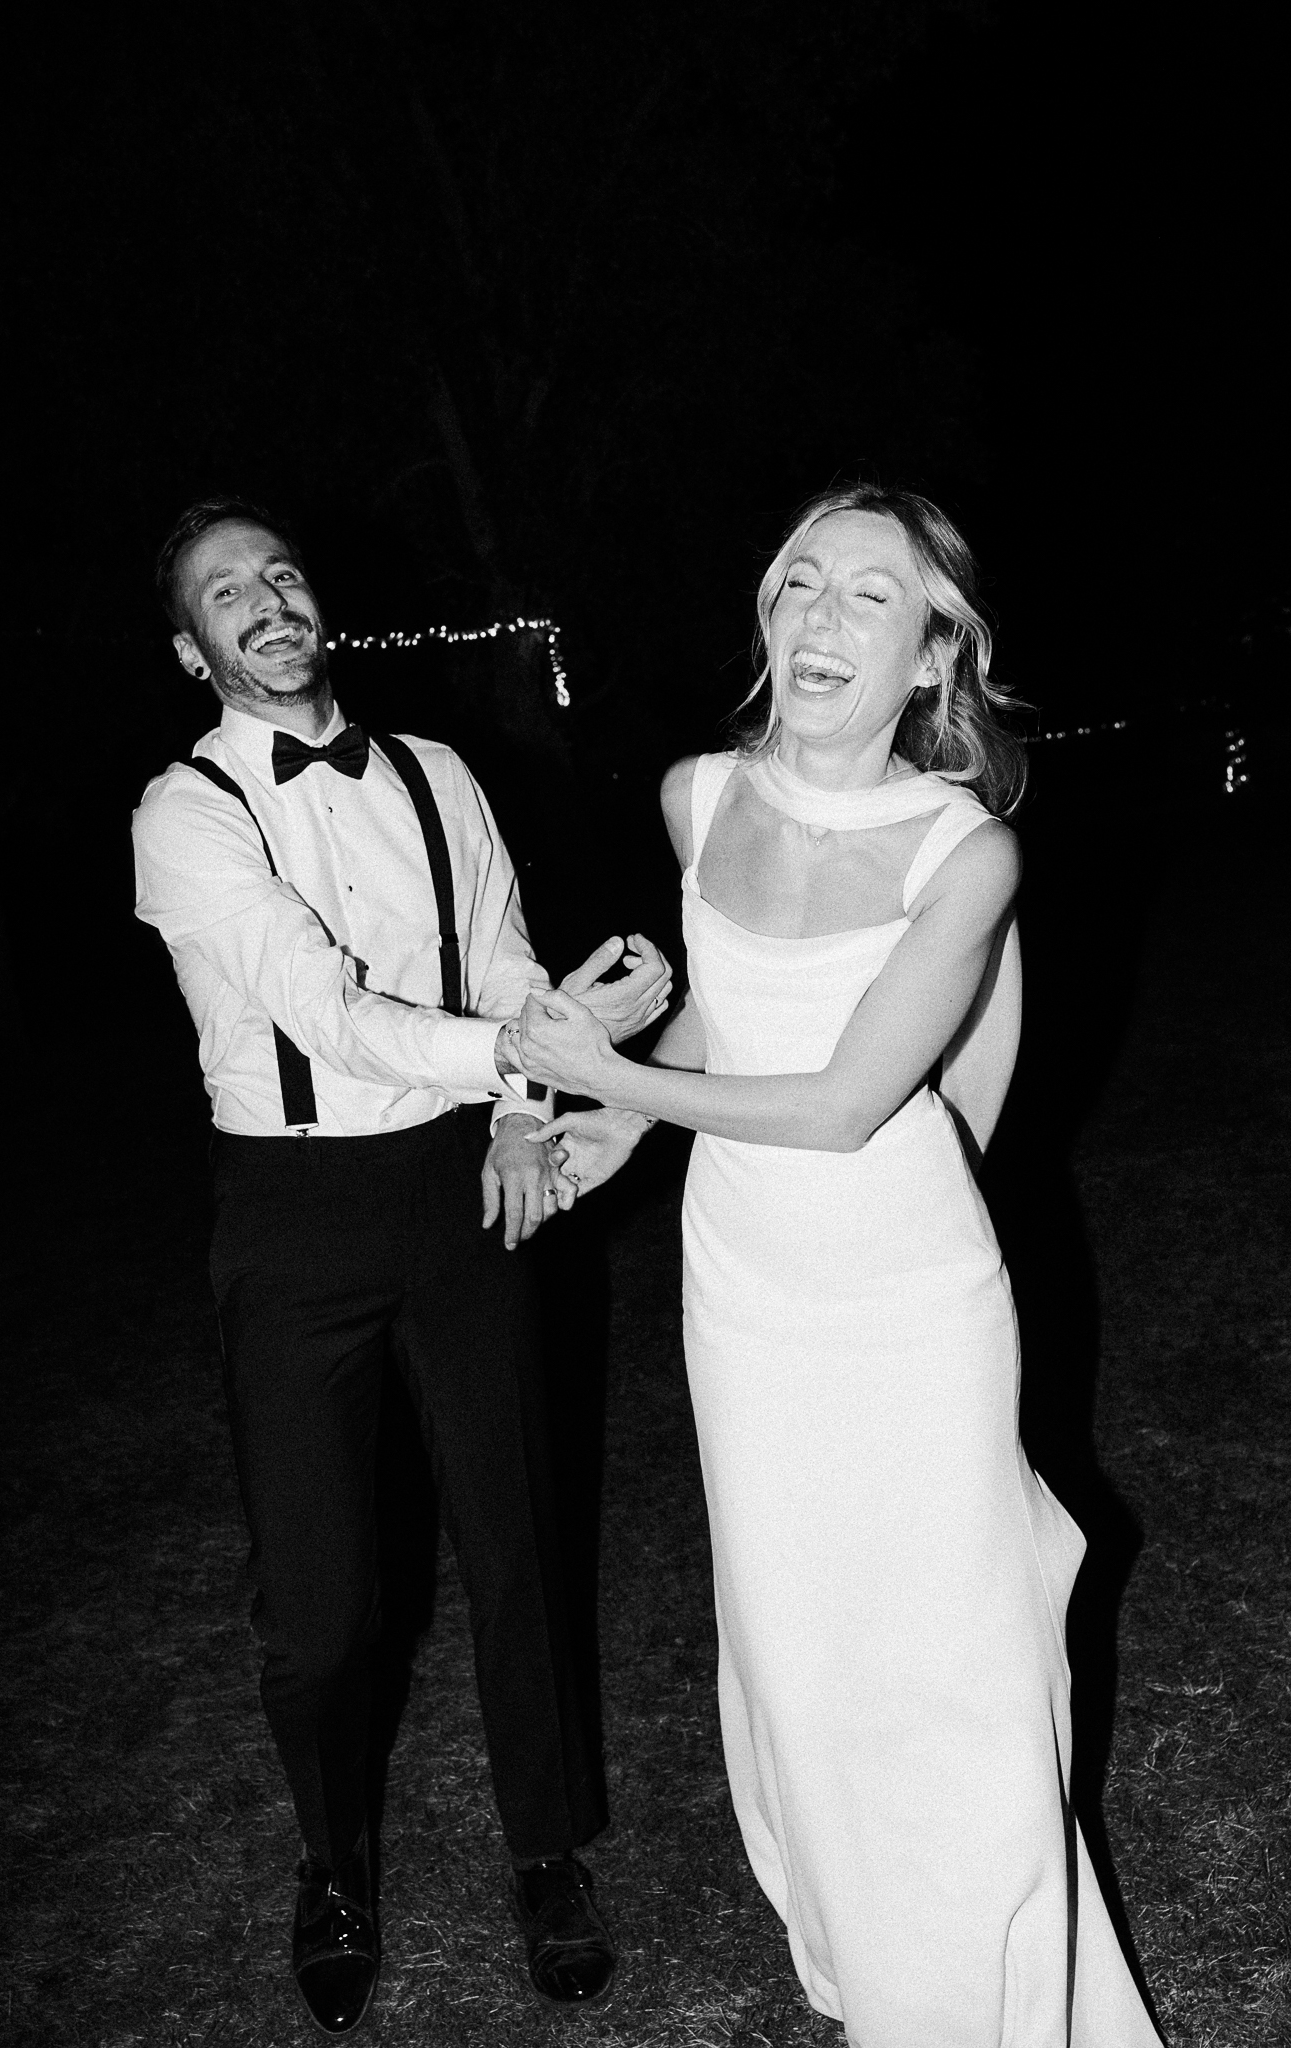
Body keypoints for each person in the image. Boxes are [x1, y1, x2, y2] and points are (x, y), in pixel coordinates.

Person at [516, 485, 1163, 2045]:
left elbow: (849, 1103)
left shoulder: (965, 851)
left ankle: (1005, 1998)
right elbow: (725, 1022)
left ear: (932, 652)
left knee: (951, 1668)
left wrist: (605, 1074)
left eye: (871, 595)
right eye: (801, 582)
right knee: (800, 1655)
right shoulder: (696, 798)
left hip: (908, 1296)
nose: (821, 616)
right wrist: (602, 1128)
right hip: (745, 1292)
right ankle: (882, 1980)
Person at [132, 497, 671, 2035]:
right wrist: (523, 1052)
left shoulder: (437, 773)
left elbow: (499, 959)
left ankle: (547, 1851)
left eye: (282, 574)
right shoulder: (185, 815)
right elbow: (324, 1010)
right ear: (193, 651)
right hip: (293, 1212)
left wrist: (521, 1111)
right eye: (226, 594)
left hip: (454, 1181)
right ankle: (333, 1865)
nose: (266, 601)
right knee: (318, 1602)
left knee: (515, 1534)